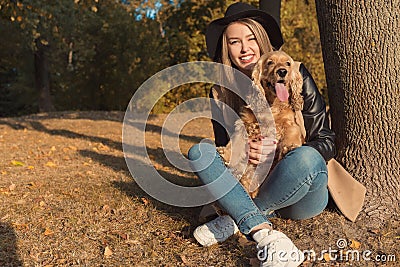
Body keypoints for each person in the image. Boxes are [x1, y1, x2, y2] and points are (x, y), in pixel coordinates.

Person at [187, 2, 336, 267]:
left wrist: (283, 148)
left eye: (251, 38)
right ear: (227, 48)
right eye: (235, 42)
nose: (244, 48)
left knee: (306, 158)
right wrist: (245, 150)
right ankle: (263, 233)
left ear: (262, 39)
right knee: (200, 152)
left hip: (300, 188)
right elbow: (225, 155)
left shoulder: (295, 72)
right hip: (254, 186)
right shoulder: (220, 92)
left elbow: (326, 140)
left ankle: (237, 216)